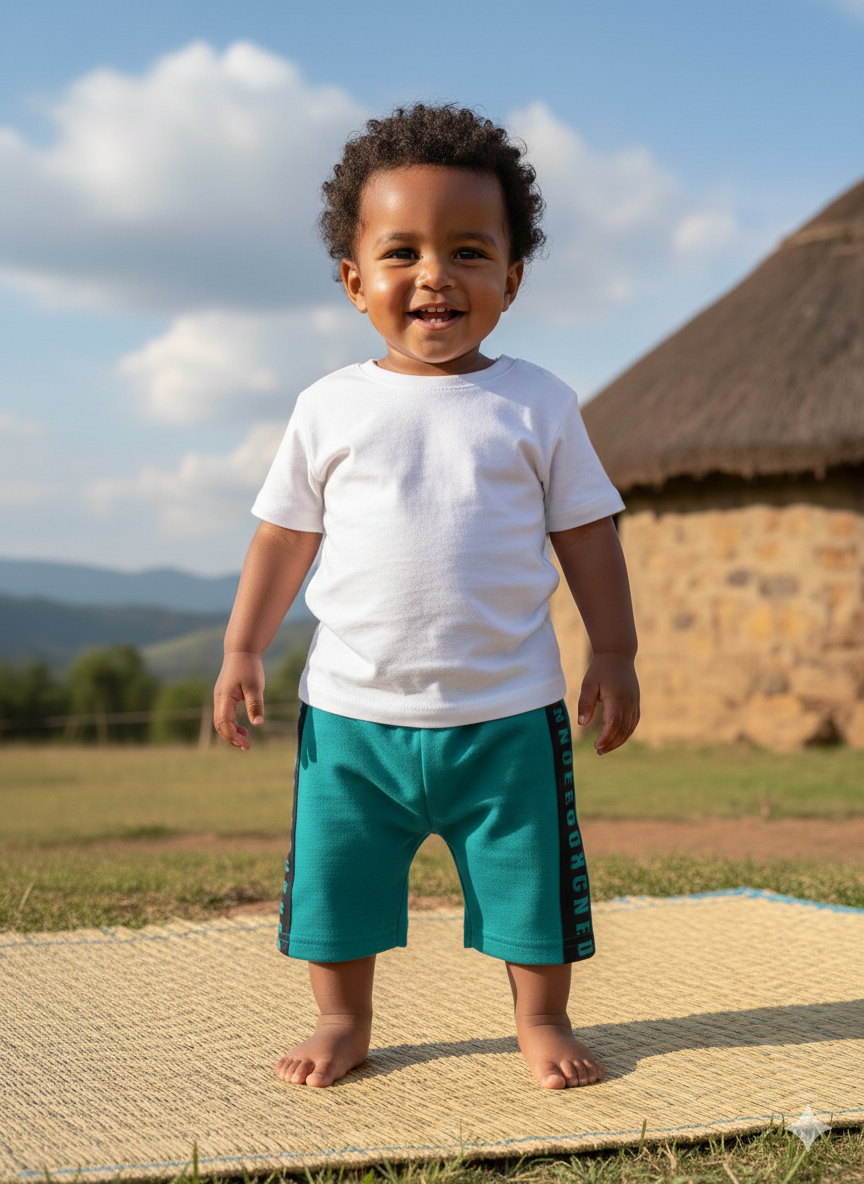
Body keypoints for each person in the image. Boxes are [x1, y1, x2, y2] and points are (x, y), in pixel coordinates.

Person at [214, 104, 639, 1092]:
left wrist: (613, 652)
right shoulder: (329, 406)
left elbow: (588, 535)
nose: (435, 274)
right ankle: (342, 1017)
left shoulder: (538, 403)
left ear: (512, 280)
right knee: (337, 881)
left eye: (468, 251)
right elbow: (283, 538)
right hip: (351, 714)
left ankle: (542, 1019)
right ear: (354, 280)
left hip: (508, 713)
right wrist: (241, 648)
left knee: (531, 881)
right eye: (401, 251)